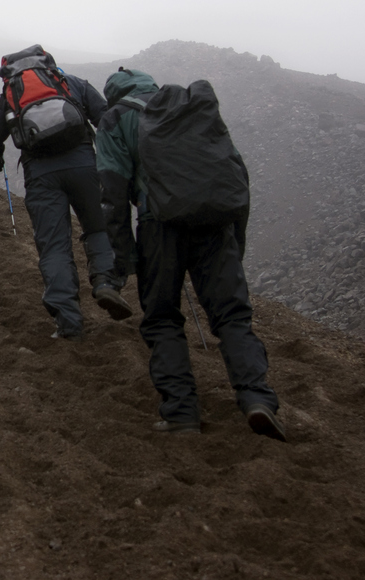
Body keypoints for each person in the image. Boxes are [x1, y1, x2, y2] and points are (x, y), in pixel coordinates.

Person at [96, 68, 284, 440]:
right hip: (215, 223)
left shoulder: (116, 118)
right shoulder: (189, 107)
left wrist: (125, 258)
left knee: (163, 318)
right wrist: (236, 241)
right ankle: (257, 398)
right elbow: (235, 172)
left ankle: (181, 412)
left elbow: (113, 193)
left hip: (158, 226)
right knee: (232, 315)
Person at [0, 45, 133, 338]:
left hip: (41, 175)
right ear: (48, 63)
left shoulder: (11, 95)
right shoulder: (70, 83)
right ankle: (105, 283)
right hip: (84, 165)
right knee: (97, 226)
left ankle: (68, 320)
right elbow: (106, 119)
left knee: (54, 245)